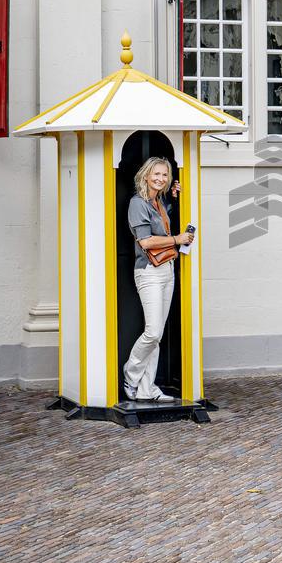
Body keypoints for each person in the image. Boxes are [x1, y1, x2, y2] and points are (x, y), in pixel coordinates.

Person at [124, 156, 195, 402]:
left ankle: (147, 389)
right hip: (149, 272)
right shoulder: (138, 203)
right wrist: (178, 239)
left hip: (167, 269)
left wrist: (175, 197)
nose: (160, 178)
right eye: (156, 174)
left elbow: (164, 222)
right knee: (153, 332)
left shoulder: (159, 202)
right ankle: (131, 374)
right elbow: (145, 241)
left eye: (164, 175)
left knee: (159, 333)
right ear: (146, 175)